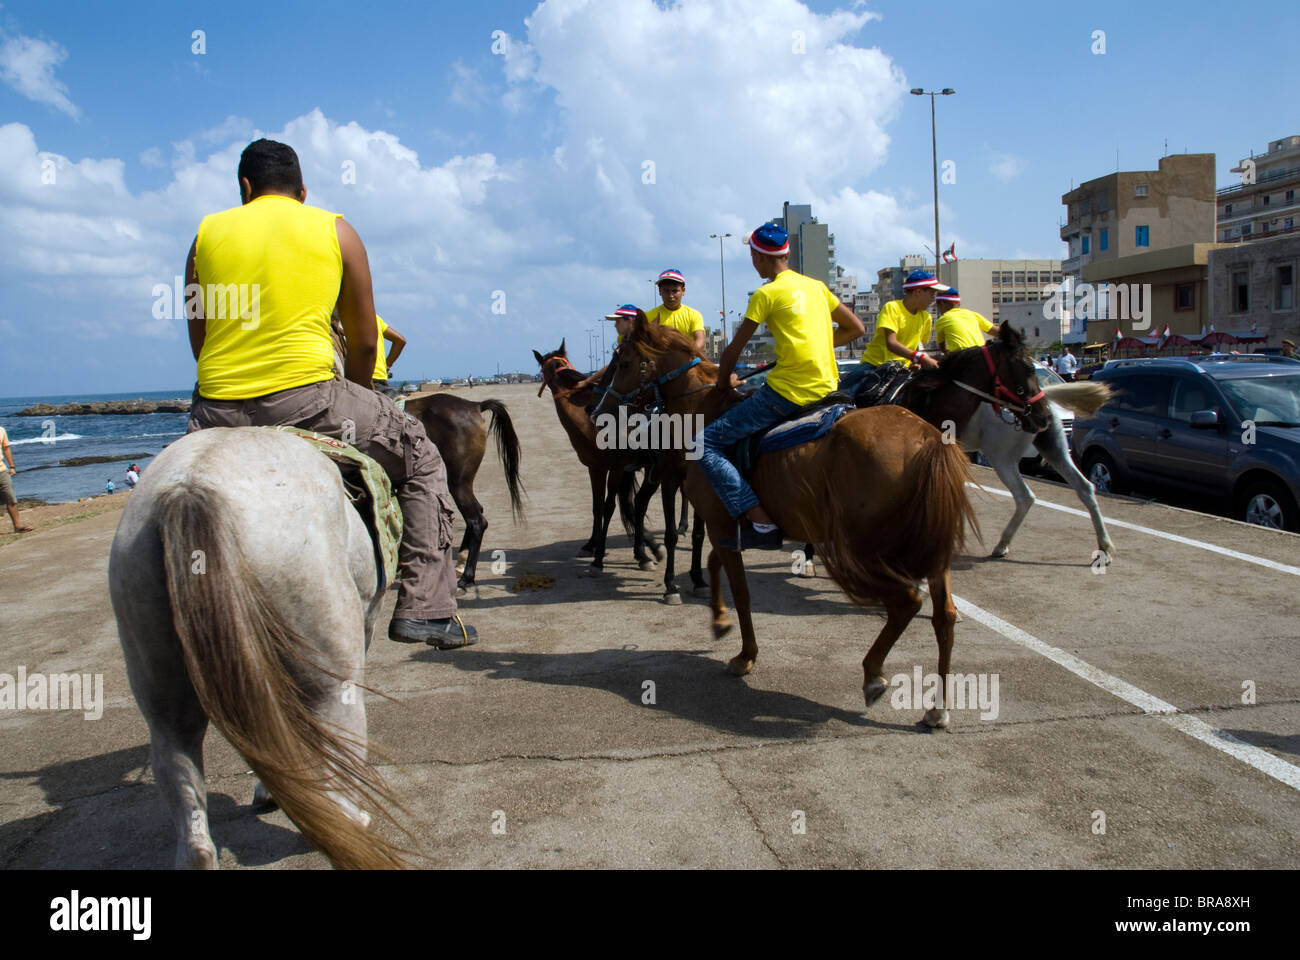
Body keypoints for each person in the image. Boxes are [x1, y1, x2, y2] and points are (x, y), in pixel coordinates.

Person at [184, 138, 476, 648]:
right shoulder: (335, 229)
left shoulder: (204, 235)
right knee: (423, 458)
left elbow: (199, 338)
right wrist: (360, 401)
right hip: (309, 400)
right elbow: (365, 342)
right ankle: (426, 610)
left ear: (244, 188)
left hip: (214, 411)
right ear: (302, 191)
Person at [701, 224, 865, 551]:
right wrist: (814, 345)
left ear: (759, 259)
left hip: (786, 395)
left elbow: (733, 350)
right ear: (787, 253)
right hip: (829, 390)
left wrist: (724, 383)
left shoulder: (766, 293)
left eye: (753, 257)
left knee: (704, 444)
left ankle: (761, 522)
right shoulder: (817, 287)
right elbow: (856, 328)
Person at [839, 270, 943, 397]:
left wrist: (915, 362)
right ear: (918, 292)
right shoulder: (892, 308)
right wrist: (920, 358)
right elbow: (891, 343)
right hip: (875, 366)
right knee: (841, 397)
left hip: (903, 370)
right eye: (932, 294)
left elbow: (915, 345)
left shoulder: (926, 317)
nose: (934, 299)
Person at [646, 270, 706, 352]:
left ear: (683, 291)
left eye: (675, 291)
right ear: (660, 291)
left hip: (689, 362)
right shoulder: (648, 316)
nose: (671, 296)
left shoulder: (694, 315)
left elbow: (700, 341)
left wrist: (686, 356)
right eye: (666, 291)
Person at [933, 287, 1000, 352]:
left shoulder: (942, 320)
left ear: (942, 304)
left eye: (937, 306)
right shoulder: (972, 314)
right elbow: (996, 331)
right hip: (982, 356)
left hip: (963, 357)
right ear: (958, 303)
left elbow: (943, 348)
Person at [0, 425, 34, 532]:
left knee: (11, 498)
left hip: (1, 470)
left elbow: (6, 448)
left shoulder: (1, 430)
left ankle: (17, 526)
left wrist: (12, 466)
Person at [372, 315, 406, 391]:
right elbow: (400, 341)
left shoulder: (346, 317)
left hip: (362, 379)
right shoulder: (375, 318)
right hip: (381, 379)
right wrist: (387, 366)